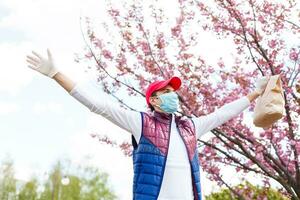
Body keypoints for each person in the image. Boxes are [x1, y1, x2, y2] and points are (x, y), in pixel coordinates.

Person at [26, 49, 269, 200]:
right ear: (153, 99)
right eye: (166, 91)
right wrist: (56, 74)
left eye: (173, 91)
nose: (172, 95)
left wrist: (254, 94)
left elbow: (222, 114)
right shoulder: (140, 122)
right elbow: (97, 104)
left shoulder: (190, 127)